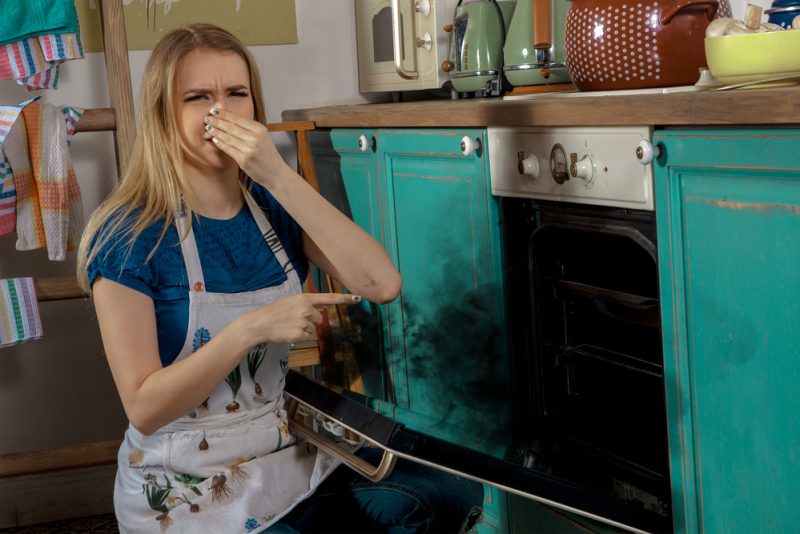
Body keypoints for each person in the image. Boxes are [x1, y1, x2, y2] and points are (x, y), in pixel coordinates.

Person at [77, 23, 483, 533]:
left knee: (448, 494)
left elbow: (381, 284)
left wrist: (276, 174)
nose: (219, 112)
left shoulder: (272, 209)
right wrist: (251, 328)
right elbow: (144, 407)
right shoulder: (129, 235)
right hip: (182, 490)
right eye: (197, 97)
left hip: (280, 463)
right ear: (163, 114)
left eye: (236, 94)